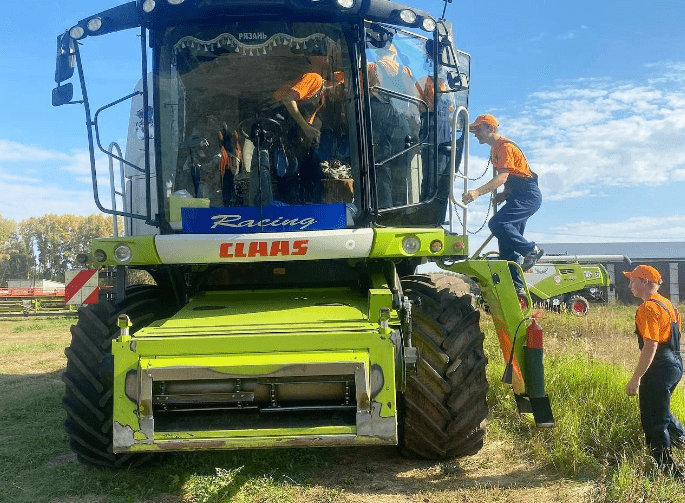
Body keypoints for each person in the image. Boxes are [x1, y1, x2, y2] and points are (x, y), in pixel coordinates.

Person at [461, 114, 543, 293]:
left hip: (527, 195)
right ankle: (517, 289)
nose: (475, 134)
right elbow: (512, 175)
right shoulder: (495, 149)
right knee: (507, 245)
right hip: (517, 195)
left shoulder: (505, 147)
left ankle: (531, 249)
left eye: (478, 129)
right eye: (473, 130)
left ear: (491, 128)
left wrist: (477, 192)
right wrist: (504, 194)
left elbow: (504, 176)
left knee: (497, 224)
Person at [624, 265, 685, 477]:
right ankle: (683, 441)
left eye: (633, 280)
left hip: (659, 368)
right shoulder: (667, 304)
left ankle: (668, 473)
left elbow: (651, 345)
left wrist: (636, 378)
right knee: (661, 411)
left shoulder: (648, 308)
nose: (630, 284)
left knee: (653, 421)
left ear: (646, 283)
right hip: (675, 364)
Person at [271, 52, 344, 203]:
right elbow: (288, 99)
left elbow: (326, 84)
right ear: (318, 58)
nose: (329, 60)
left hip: (298, 137)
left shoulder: (319, 81)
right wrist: (305, 127)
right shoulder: (313, 78)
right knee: (309, 176)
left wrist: (343, 78)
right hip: (295, 136)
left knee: (304, 174)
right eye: (327, 56)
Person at [368, 44, 420, 208]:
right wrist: (415, 132)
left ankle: (386, 208)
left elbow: (365, 94)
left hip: (378, 116)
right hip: (401, 120)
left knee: (382, 166)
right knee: (400, 168)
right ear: (394, 55)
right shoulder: (406, 71)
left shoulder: (371, 67)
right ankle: (399, 208)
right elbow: (414, 100)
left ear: (379, 55)